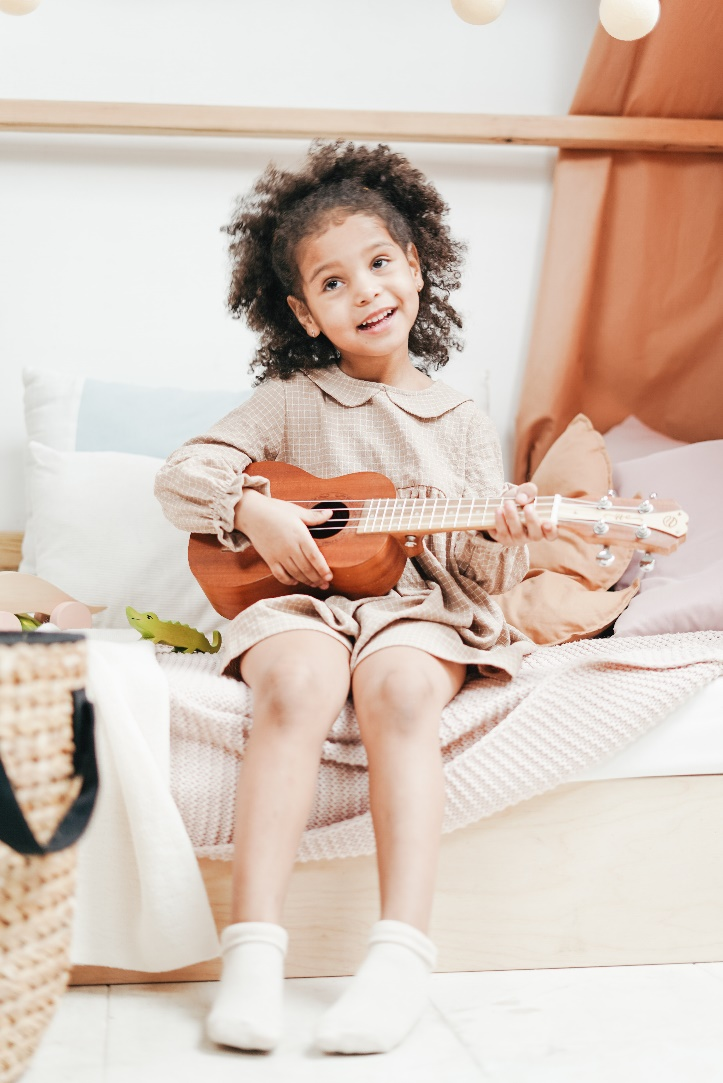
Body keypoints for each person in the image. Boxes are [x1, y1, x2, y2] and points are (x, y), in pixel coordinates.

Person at [155, 140, 557, 1056]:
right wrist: (253, 510)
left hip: (414, 606)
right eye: (332, 282)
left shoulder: (458, 421)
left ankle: (399, 955)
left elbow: (472, 567)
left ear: (414, 268)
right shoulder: (288, 400)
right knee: (294, 686)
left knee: (402, 691)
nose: (365, 290)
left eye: (379, 264)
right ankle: (251, 951)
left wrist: (498, 534)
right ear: (302, 310)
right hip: (303, 602)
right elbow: (182, 475)